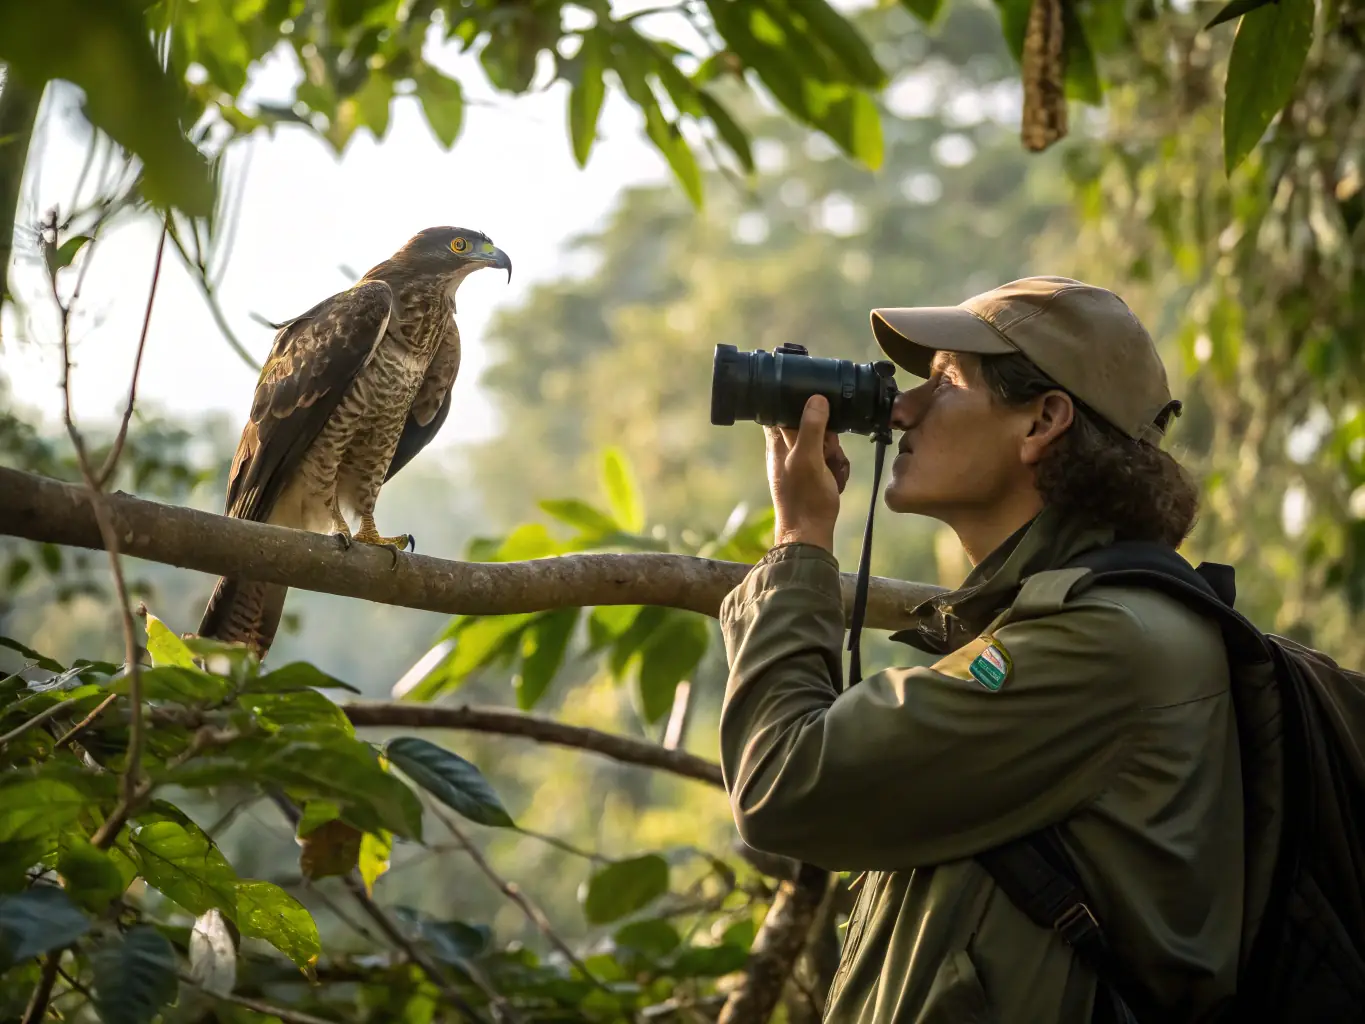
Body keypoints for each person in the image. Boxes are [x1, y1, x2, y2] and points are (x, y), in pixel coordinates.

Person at [717, 277, 1243, 1023]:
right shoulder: (1053, 623)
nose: (900, 409)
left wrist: (800, 541)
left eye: (942, 383)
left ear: (1043, 421)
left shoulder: (1100, 646)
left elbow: (785, 782)